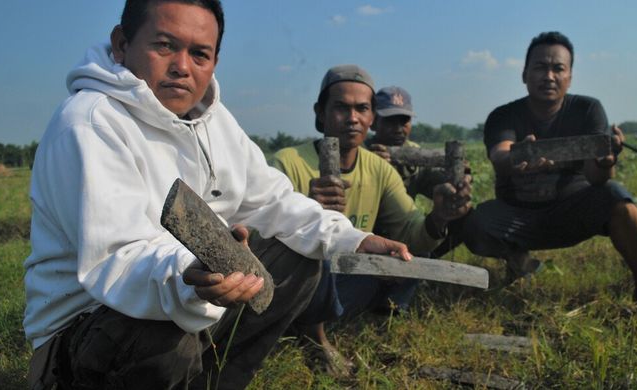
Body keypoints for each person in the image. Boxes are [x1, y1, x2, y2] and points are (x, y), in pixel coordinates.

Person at [23, 2, 410, 389]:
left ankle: (216, 382)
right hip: (89, 327)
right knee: (166, 340)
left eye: (199, 53)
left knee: (299, 256)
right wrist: (189, 273)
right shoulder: (90, 123)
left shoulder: (213, 120)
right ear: (122, 44)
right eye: (164, 46)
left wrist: (354, 238)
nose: (182, 66)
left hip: (190, 295)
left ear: (215, 60)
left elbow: (273, 199)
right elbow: (119, 258)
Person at [270, 65, 472, 376]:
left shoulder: (378, 168)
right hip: (297, 284)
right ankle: (314, 336)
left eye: (362, 108)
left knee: (410, 252)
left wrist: (438, 217)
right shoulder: (288, 161)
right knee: (317, 246)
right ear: (320, 113)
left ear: (371, 118)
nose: (352, 118)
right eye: (341, 107)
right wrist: (307, 211)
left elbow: (411, 229)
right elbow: (262, 235)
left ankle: (379, 314)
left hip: (348, 278)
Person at [461, 31, 637, 305]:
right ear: (524, 74)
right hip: (517, 217)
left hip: (571, 210)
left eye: (558, 68)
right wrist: (520, 157)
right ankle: (520, 259)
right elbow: (500, 154)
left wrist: (606, 160)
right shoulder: (503, 115)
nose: (549, 76)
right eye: (540, 67)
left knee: (620, 200)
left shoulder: (588, 110)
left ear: (570, 77)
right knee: (474, 224)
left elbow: (597, 177)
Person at [365, 86, 445, 199]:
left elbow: (439, 187)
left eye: (404, 121)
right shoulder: (360, 152)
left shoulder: (415, 153)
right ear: (373, 123)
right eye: (390, 121)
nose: (398, 129)